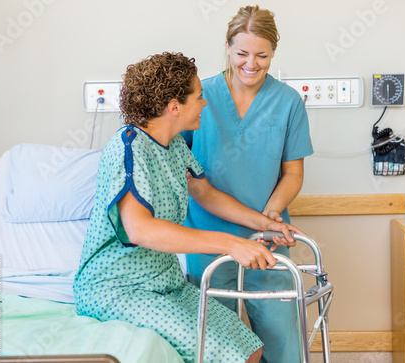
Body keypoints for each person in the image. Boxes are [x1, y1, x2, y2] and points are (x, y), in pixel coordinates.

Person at [73, 52, 302, 363]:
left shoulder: (174, 144)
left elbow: (204, 192)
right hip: (119, 289)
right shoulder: (129, 147)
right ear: (175, 106)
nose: (205, 104)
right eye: (199, 97)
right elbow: (140, 229)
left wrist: (265, 223)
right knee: (227, 355)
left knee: (251, 349)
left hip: (166, 283)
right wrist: (230, 244)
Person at [182, 5, 314, 363]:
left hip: (267, 239)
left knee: (281, 339)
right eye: (242, 54)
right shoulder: (198, 99)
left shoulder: (287, 102)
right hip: (208, 238)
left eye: (262, 55)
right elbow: (193, 182)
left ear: (273, 53)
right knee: (216, 345)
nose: (251, 64)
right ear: (227, 47)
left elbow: (293, 173)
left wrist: (271, 215)